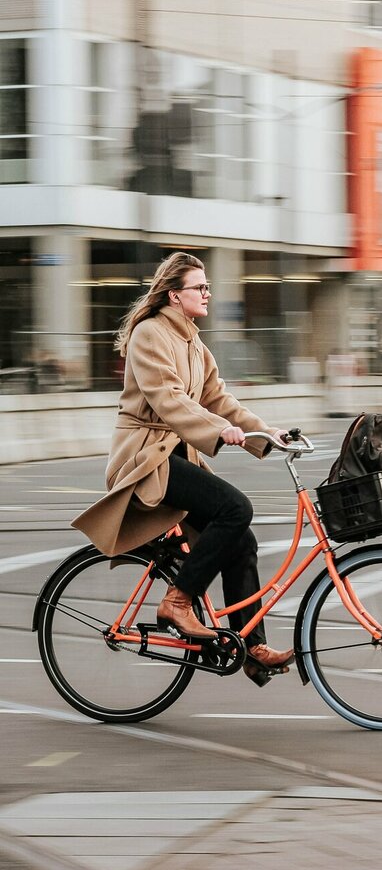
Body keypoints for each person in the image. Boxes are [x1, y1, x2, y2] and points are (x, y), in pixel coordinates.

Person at [73, 251, 294, 686]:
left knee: (242, 541)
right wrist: (219, 431)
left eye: (208, 285)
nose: (207, 293)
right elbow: (169, 400)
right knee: (236, 508)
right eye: (200, 287)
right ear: (174, 295)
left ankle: (252, 647)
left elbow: (219, 400)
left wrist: (268, 434)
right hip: (147, 456)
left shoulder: (194, 342)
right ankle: (178, 601)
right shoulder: (150, 335)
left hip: (175, 455)